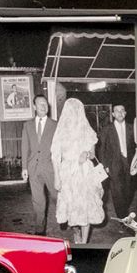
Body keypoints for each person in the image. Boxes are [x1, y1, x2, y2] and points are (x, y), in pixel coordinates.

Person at [51, 97, 106, 244]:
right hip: (68, 173)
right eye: (71, 110)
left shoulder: (87, 130)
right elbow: (55, 156)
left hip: (85, 173)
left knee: (86, 207)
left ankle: (84, 242)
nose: (74, 112)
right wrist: (57, 177)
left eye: (77, 109)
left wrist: (87, 154)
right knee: (71, 207)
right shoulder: (61, 132)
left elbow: (93, 154)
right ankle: (75, 230)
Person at [19, 95, 58, 233]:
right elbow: (25, 147)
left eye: (45, 104)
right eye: (40, 104)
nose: (44, 106)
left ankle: (70, 221)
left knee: (57, 197)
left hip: (51, 169)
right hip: (33, 169)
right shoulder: (27, 125)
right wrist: (24, 167)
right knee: (38, 201)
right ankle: (40, 231)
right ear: (34, 107)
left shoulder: (55, 125)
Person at [96, 102, 137, 219]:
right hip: (113, 165)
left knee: (129, 190)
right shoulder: (106, 129)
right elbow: (102, 148)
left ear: (125, 113)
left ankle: (124, 209)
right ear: (113, 114)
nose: (120, 113)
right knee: (118, 192)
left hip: (130, 165)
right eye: (117, 111)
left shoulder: (132, 128)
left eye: (122, 110)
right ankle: (123, 217)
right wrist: (105, 165)